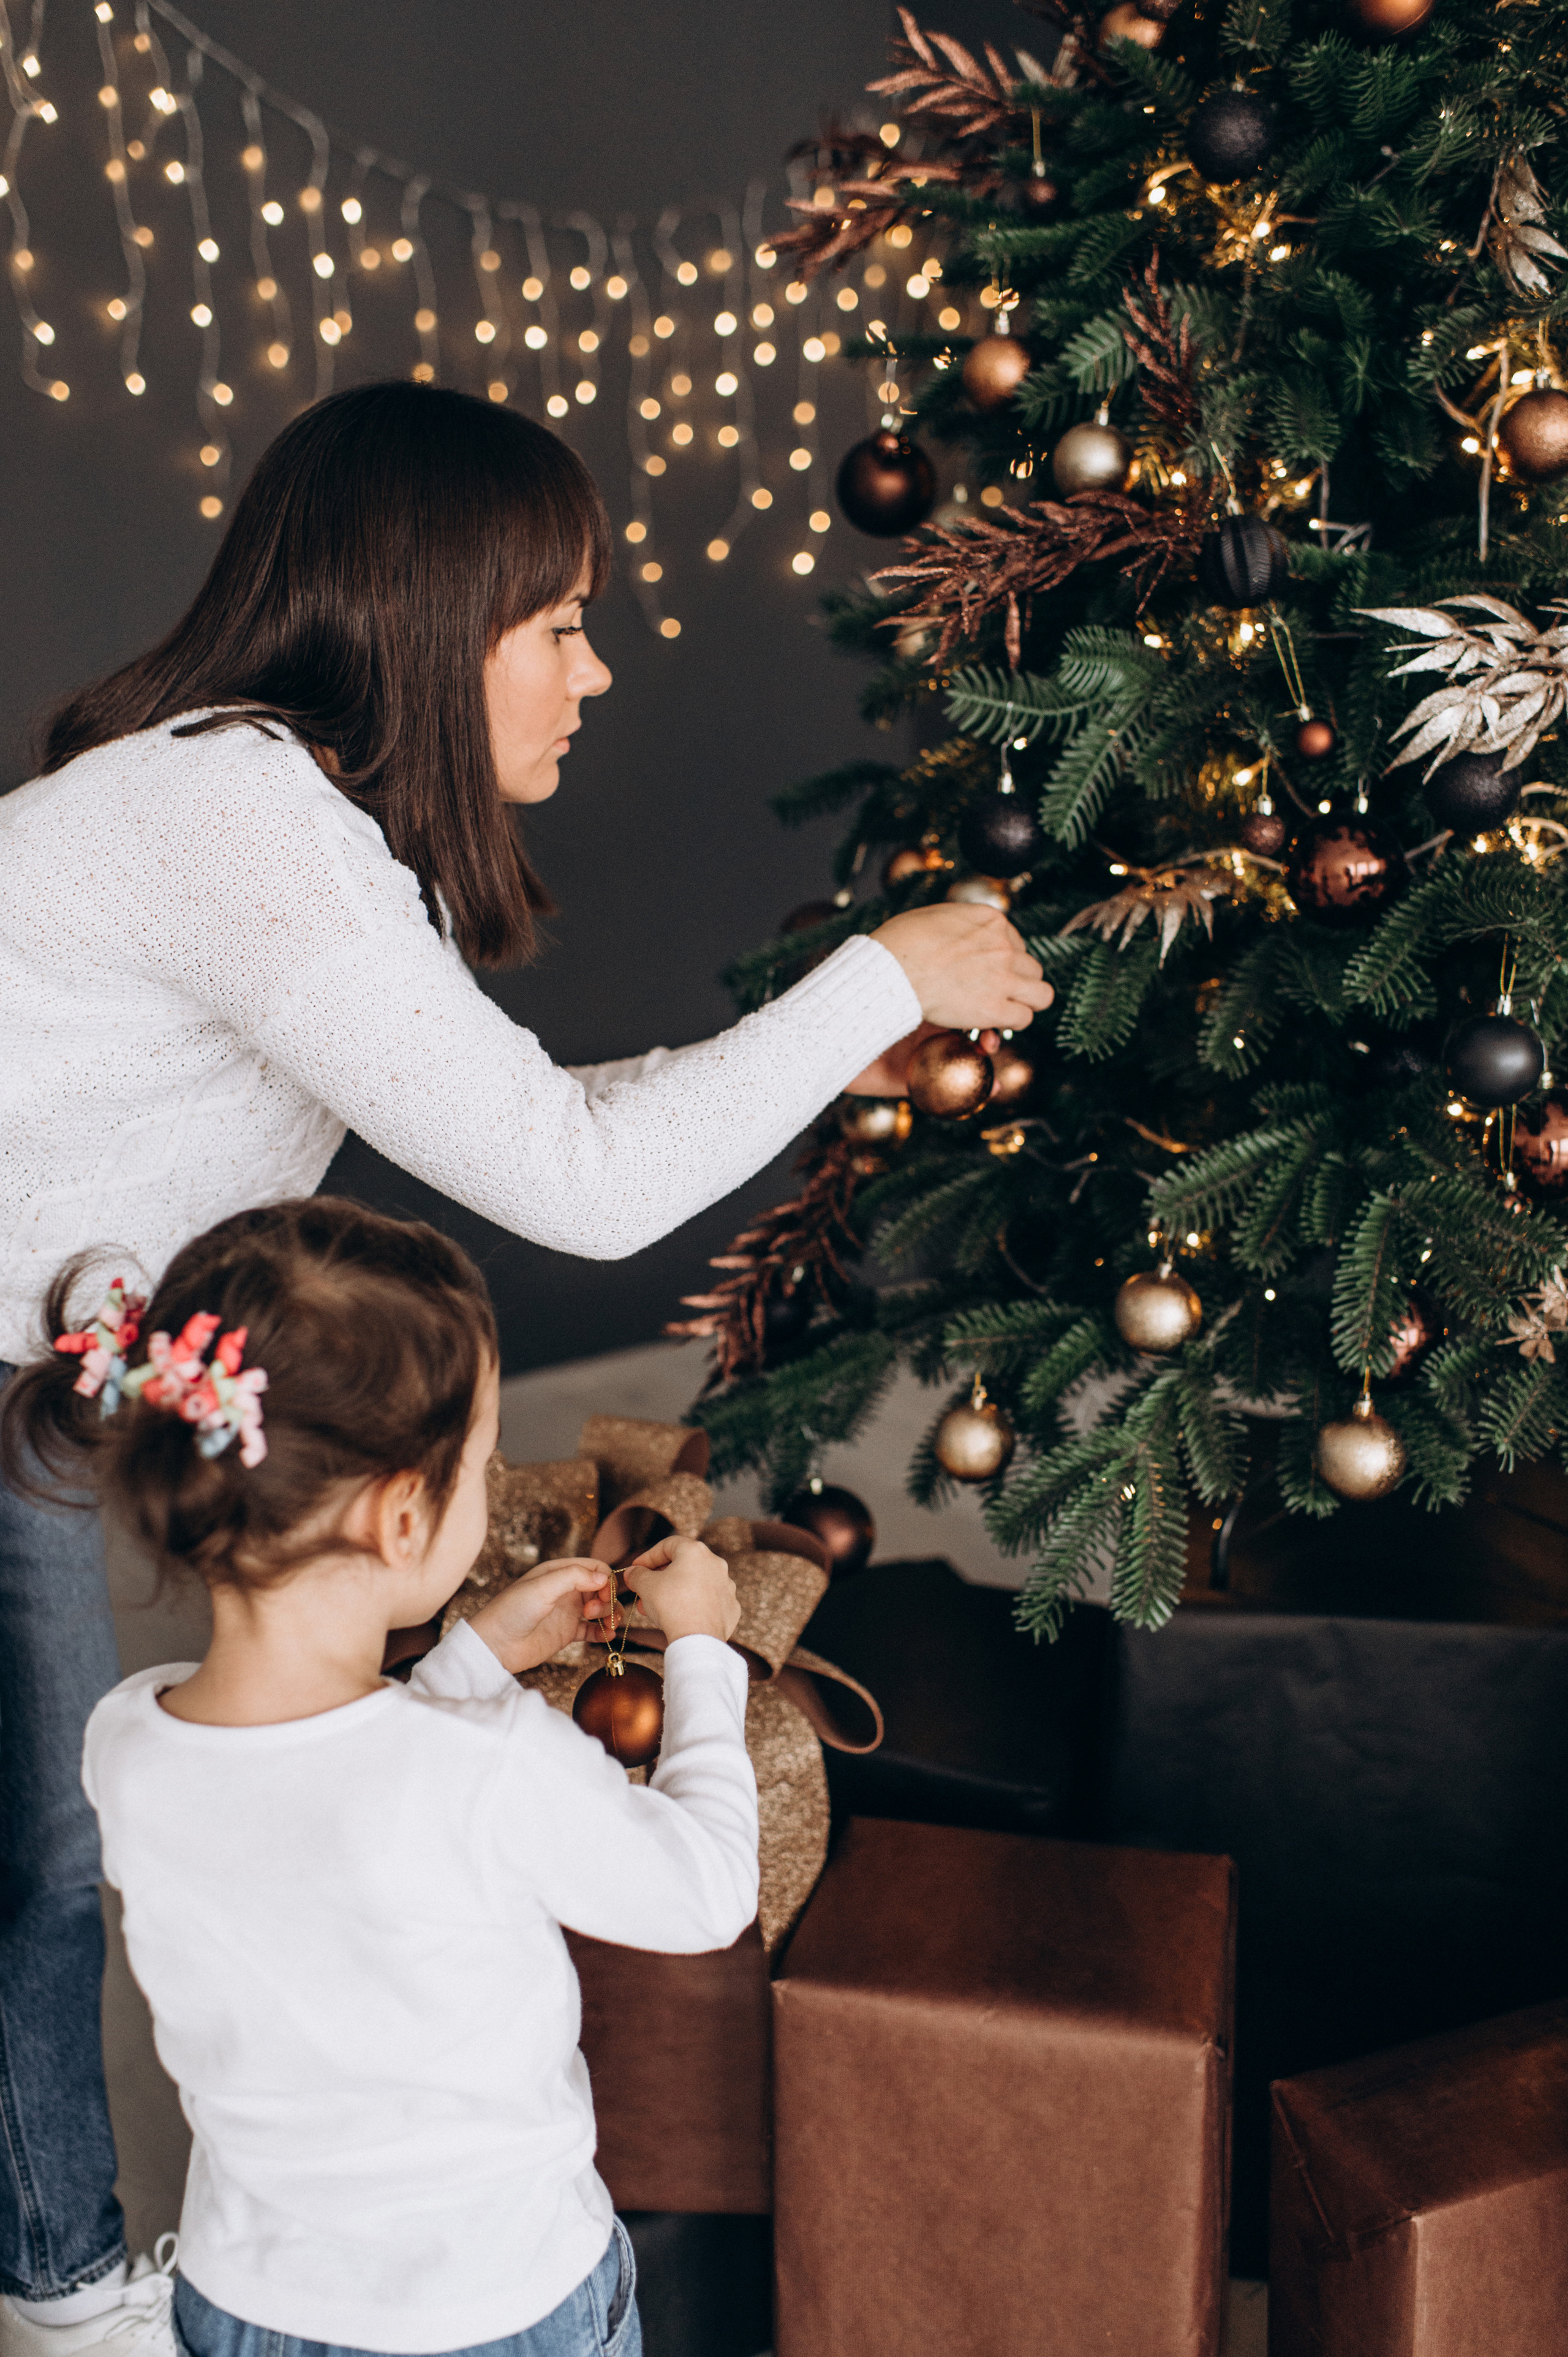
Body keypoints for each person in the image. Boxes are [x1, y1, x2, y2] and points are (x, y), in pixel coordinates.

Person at [0, 379, 1052, 2355]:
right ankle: (57, 2290)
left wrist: (837, 1047)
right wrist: (891, 976)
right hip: (16, 1353)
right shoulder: (251, 829)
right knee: (43, 1848)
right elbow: (581, 1185)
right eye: (556, 622)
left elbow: (534, 1118)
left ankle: (69, 2278)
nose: (596, 669)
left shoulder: (272, 809)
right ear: (424, 620)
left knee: (70, 1818)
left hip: (43, 1344)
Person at [1, 1197, 758, 2357]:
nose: (491, 1478)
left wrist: (474, 1660)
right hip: (505, 2309)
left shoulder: (130, 1743)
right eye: (481, 1465)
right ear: (405, 1516)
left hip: (249, 2305)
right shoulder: (488, 1770)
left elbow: (337, 1795)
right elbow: (702, 1891)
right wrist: (704, 1650)